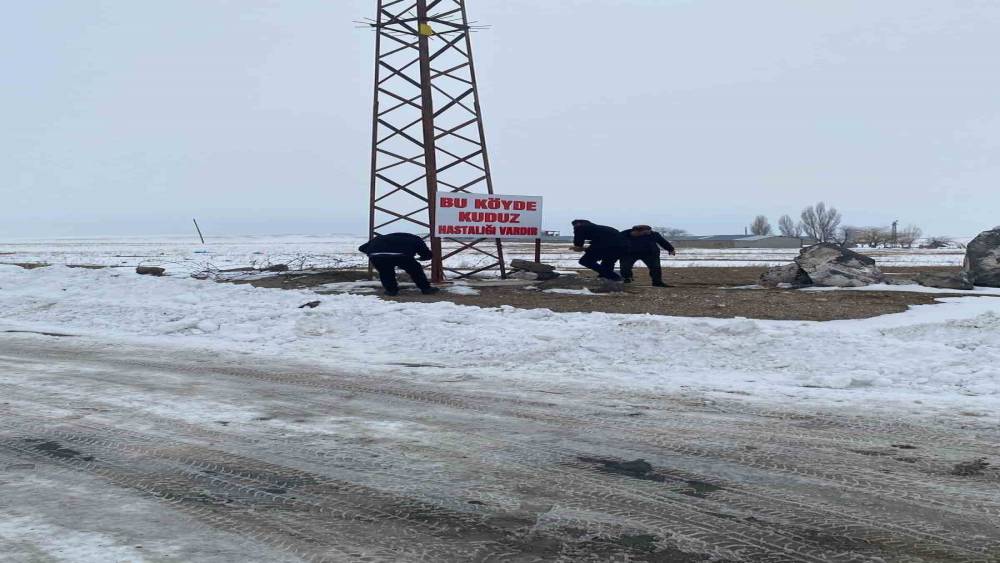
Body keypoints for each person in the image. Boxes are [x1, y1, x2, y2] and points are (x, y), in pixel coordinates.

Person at [359, 233, 440, 296]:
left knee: (385, 272)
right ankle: (426, 289)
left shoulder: (380, 238)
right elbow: (426, 254)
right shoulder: (415, 239)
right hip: (402, 255)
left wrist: (374, 253)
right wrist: (423, 257)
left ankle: (391, 291)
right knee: (415, 270)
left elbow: (361, 248)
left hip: (377, 255)